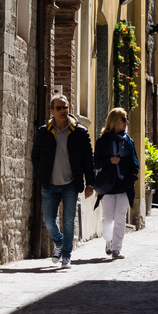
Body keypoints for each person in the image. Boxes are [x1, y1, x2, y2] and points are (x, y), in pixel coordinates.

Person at [31, 93, 95, 267]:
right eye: (59, 108)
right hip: (49, 184)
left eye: (65, 107)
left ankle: (66, 255)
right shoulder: (44, 132)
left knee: (68, 221)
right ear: (52, 111)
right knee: (48, 219)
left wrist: (90, 183)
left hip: (70, 185)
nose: (63, 111)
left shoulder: (80, 132)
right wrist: (40, 176)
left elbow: (88, 159)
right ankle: (59, 243)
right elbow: (35, 156)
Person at [93, 107, 139, 259]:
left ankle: (117, 248)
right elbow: (96, 163)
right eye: (124, 119)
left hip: (124, 185)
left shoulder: (128, 141)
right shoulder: (103, 141)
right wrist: (109, 161)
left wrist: (131, 178)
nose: (127, 122)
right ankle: (109, 241)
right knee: (108, 218)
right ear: (115, 121)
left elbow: (135, 163)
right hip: (108, 184)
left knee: (120, 217)